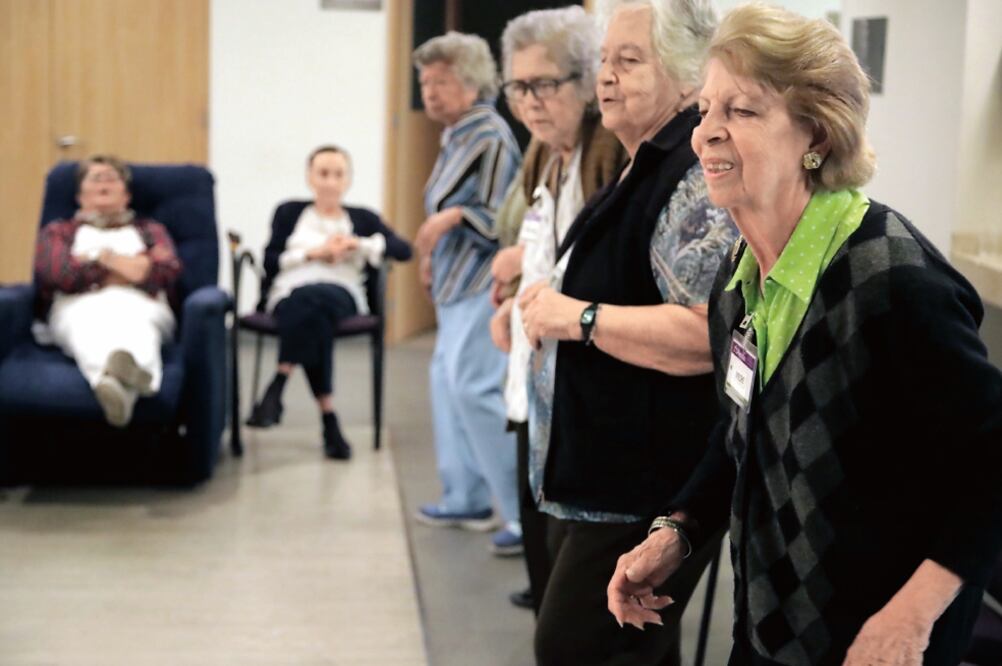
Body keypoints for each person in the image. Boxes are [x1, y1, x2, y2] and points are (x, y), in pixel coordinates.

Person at [607, 5, 1002, 666]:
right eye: (706, 109)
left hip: (881, 638)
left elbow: (991, 459)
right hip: (769, 626)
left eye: (743, 111)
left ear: (816, 133)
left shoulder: (891, 280)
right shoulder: (736, 285)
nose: (707, 135)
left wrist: (913, 614)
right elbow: (741, 434)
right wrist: (676, 529)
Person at [515, 1, 735, 663]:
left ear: (689, 72)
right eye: (605, 61)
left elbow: (703, 336)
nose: (604, 78)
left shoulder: (691, 174)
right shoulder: (645, 160)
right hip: (600, 476)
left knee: (573, 651)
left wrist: (575, 317)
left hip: (642, 486)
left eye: (628, 61)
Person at [489, 5, 627, 612]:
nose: (529, 102)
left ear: (586, 84)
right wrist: (513, 294)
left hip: (586, 375)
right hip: (535, 364)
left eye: (545, 85)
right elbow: (540, 237)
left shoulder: (612, 154)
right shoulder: (545, 151)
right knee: (534, 516)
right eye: (519, 86)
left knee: (575, 580)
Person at [247, 145, 412, 460]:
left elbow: (403, 250)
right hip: (290, 292)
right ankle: (329, 420)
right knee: (311, 311)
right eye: (323, 173)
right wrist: (313, 254)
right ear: (310, 177)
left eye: (338, 174)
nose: (330, 182)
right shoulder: (290, 213)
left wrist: (357, 244)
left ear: (347, 180)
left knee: (316, 300)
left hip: (341, 293)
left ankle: (279, 382)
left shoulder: (362, 218)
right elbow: (269, 261)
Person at [34, 154, 181, 427]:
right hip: (76, 304)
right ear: (80, 196)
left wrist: (101, 258)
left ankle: (108, 382)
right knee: (86, 323)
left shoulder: (150, 230)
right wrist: (131, 267)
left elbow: (167, 270)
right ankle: (138, 379)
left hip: (141, 302)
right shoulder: (59, 231)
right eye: (95, 178)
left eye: (111, 179)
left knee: (137, 322)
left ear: (126, 196)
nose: (104, 183)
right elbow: (59, 274)